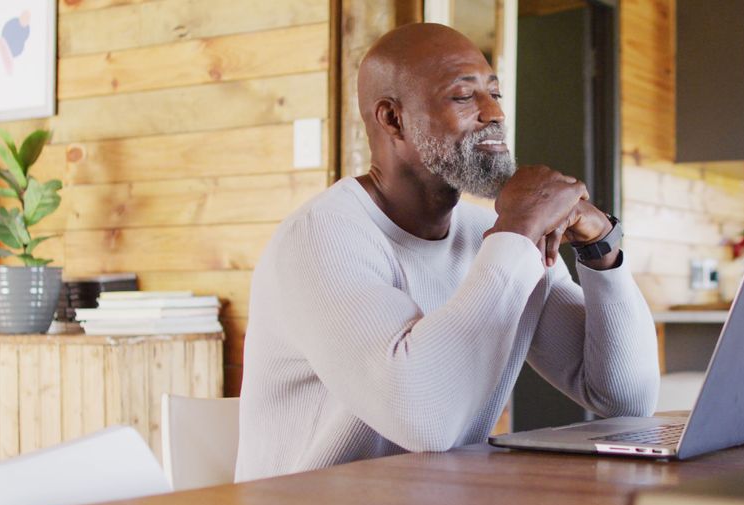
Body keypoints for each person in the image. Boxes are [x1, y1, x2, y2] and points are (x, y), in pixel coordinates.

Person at [235, 23, 659, 481]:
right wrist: (517, 230)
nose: (494, 113)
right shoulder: (320, 239)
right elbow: (425, 420)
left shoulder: (494, 238)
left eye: (495, 93)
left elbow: (624, 400)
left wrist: (602, 250)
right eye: (463, 96)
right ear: (392, 119)